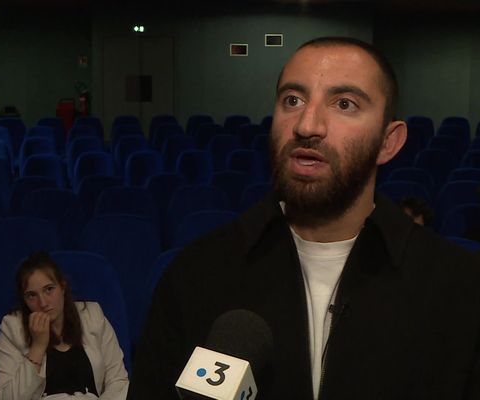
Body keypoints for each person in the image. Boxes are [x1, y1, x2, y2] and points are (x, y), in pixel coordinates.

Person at [128, 37, 480, 399]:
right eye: (292, 101)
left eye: (345, 104)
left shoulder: (459, 288)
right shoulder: (195, 276)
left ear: (388, 142)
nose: (308, 124)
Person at [0, 251, 128, 399]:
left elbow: (118, 381)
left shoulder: (92, 315)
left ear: (62, 287)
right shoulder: (12, 328)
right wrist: (37, 347)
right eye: (32, 295)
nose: (43, 303)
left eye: (49, 289)